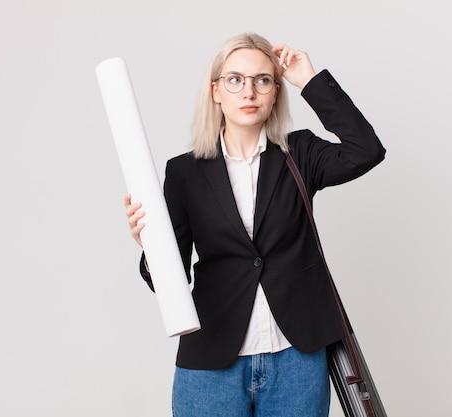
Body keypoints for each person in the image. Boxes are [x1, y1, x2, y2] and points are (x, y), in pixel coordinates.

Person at [123, 32, 385, 417]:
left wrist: (309, 79)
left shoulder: (301, 152)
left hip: (296, 357)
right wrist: (150, 246)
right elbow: (172, 279)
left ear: (275, 92)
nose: (249, 91)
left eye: (262, 80)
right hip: (213, 359)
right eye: (235, 80)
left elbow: (367, 150)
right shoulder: (184, 172)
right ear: (216, 91)